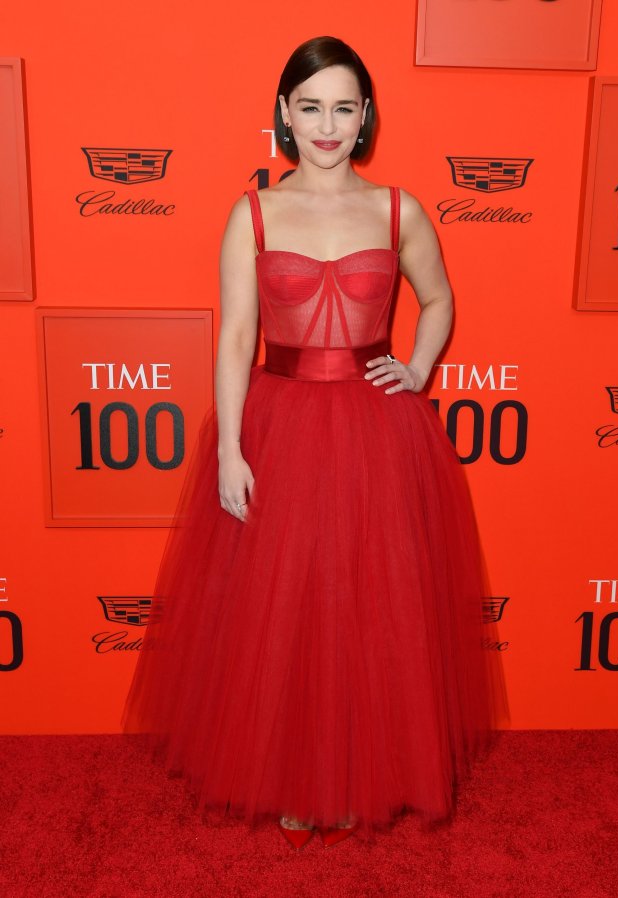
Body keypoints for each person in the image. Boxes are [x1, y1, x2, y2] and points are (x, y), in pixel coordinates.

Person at [121, 34, 509, 850]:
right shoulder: (253, 212)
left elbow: (438, 301)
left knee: (372, 603)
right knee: (288, 609)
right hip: (280, 419)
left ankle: (373, 772)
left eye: (342, 108)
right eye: (310, 107)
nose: (326, 125)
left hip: (377, 428)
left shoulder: (398, 209)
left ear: (365, 116)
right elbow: (235, 340)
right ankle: (294, 775)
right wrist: (230, 448)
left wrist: (418, 368)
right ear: (285, 117)